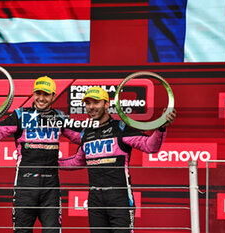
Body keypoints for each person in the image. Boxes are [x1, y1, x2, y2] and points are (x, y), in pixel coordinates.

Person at [0, 76, 81, 233]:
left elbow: (83, 138)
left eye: (46, 94)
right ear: (33, 93)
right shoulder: (20, 115)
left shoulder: (60, 117)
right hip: (25, 187)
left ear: (53, 96)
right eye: (38, 93)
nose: (41, 98)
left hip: (50, 189)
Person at [59, 87, 176, 233]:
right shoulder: (86, 133)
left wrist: (161, 128)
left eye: (96, 102)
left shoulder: (121, 128)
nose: (91, 107)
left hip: (119, 197)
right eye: (88, 103)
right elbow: (77, 161)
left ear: (107, 104)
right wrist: (51, 163)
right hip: (95, 199)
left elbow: (150, 146)